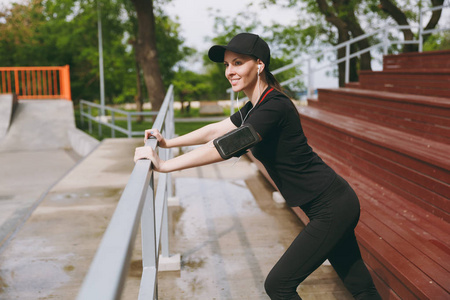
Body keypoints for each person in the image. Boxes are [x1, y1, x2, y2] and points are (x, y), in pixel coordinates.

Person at [134, 33, 382, 300]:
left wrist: (163, 165)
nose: (230, 71)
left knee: (278, 285)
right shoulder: (256, 105)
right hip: (331, 202)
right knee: (360, 286)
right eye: (227, 65)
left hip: (332, 207)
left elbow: (224, 146)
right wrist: (168, 142)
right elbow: (216, 130)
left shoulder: (274, 108)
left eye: (238, 63)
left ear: (259, 65)